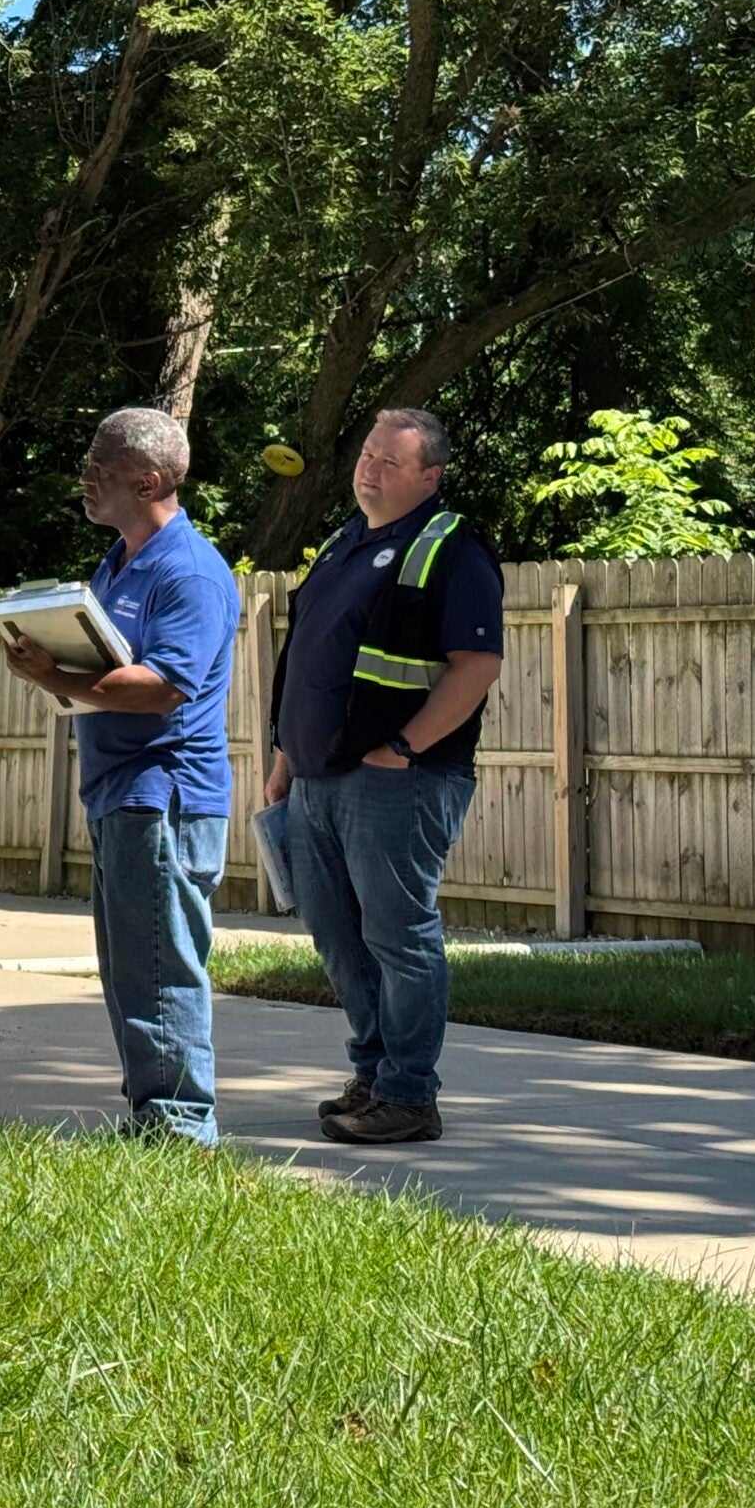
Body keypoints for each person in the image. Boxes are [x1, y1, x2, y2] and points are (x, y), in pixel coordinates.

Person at [264, 408, 504, 1145]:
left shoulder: (452, 549)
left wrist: (403, 747)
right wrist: (283, 763)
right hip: (313, 778)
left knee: (399, 938)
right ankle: (373, 1076)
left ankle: (408, 1095)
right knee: (339, 938)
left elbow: (477, 665)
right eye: (367, 455)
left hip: (400, 781)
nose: (369, 469)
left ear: (430, 476)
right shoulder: (345, 542)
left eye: (390, 462)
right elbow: (309, 661)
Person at [2, 407, 238, 1145]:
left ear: (152, 479)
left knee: (161, 966)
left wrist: (57, 674)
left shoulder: (190, 570)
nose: (87, 476)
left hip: (164, 792)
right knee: (133, 967)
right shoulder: (119, 562)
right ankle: (153, 1115)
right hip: (122, 793)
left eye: (102, 466)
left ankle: (179, 1125)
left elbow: (166, 686)